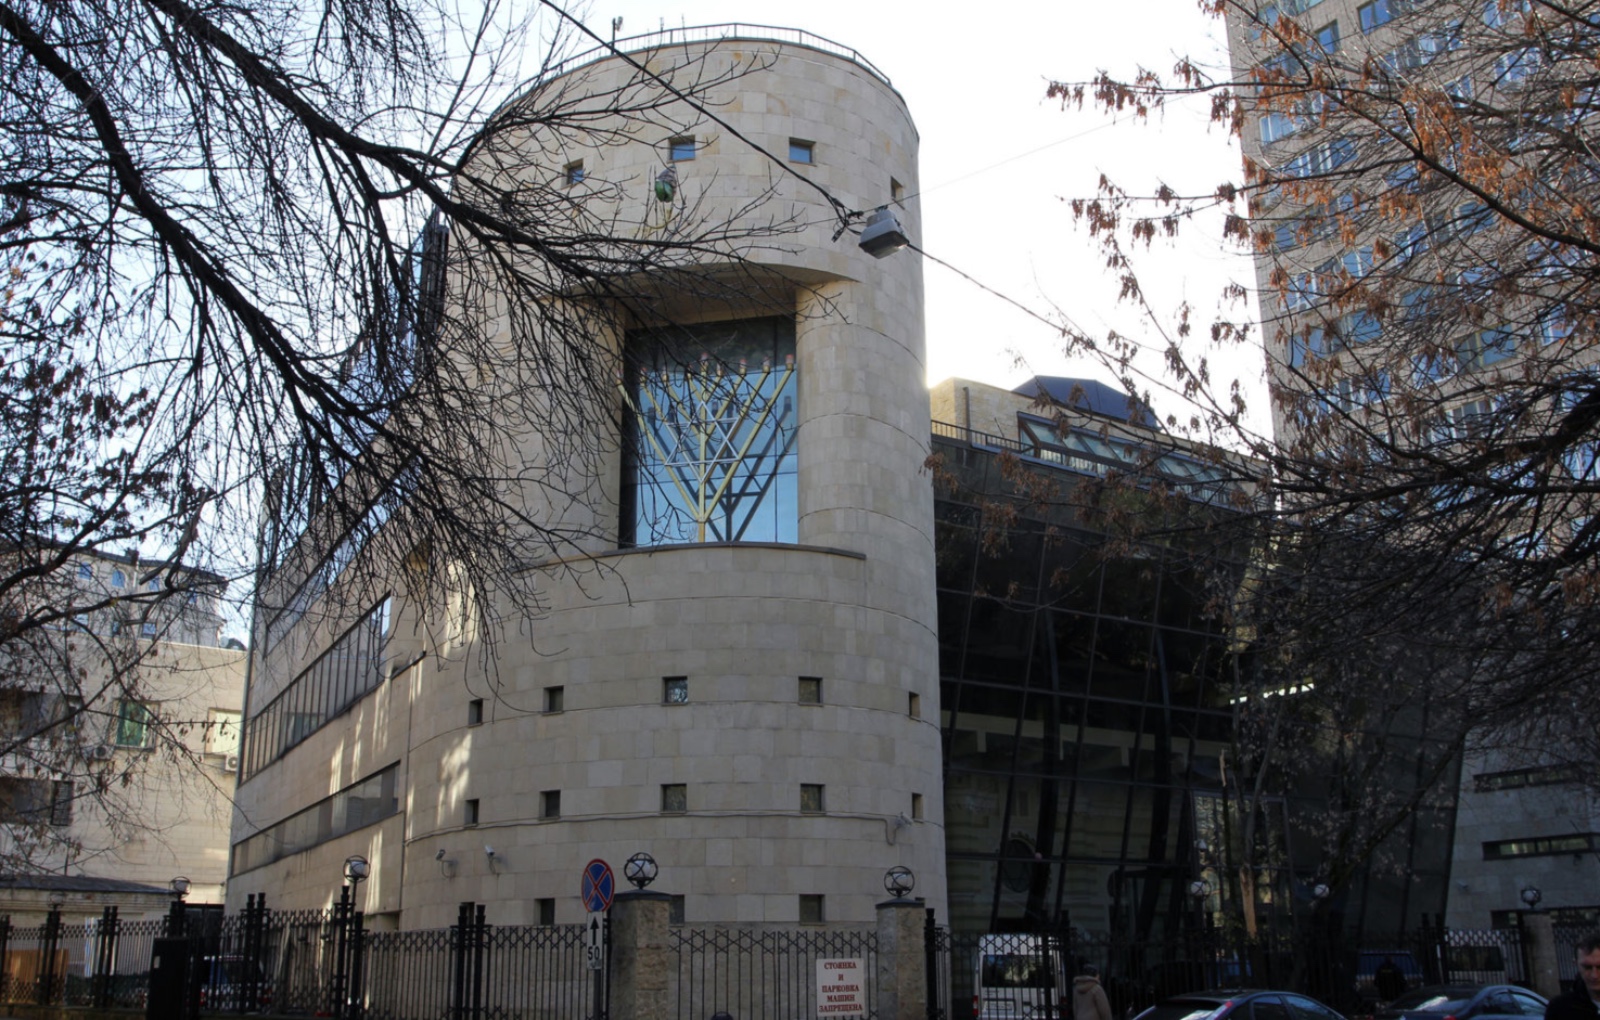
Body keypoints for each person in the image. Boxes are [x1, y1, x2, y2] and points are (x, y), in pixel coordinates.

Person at [1547, 933, 1600, 1020]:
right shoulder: (1560, 1008)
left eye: (1599, 967)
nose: (1594, 975)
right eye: (1587, 967)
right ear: (1576, 964)